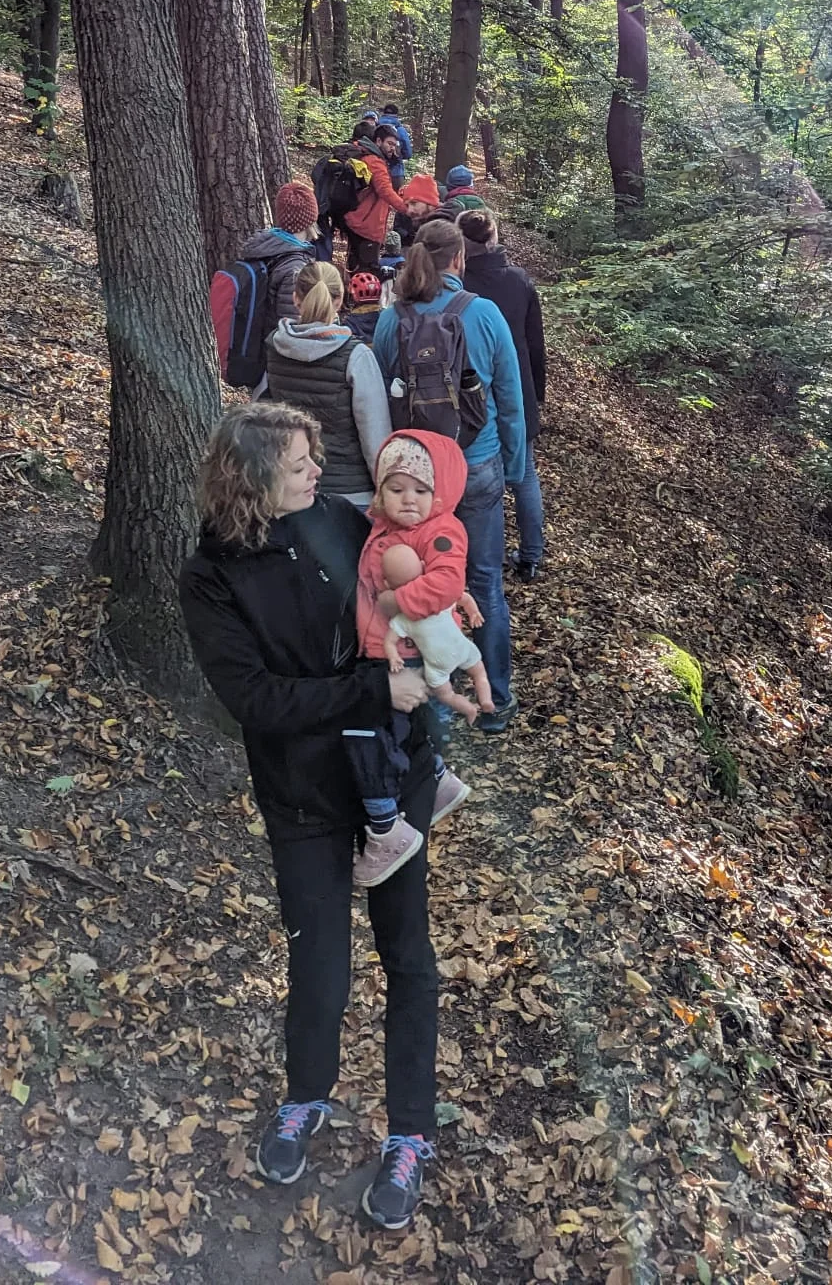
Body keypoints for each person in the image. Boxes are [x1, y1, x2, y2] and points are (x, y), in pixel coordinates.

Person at [180, 405, 440, 1230]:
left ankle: (410, 1133)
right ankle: (306, 1099)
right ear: (253, 478)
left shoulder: (339, 520)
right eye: (298, 463)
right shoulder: (212, 576)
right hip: (301, 794)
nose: (316, 472)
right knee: (319, 962)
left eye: (313, 458)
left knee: (407, 954)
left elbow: (406, 596)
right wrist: (369, 689)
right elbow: (253, 700)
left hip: (391, 775)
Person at [373, 218, 525, 734]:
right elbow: (510, 397)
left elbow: (382, 393)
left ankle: (432, 711)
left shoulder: (394, 319)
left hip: (419, 477)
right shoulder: (484, 314)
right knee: (483, 581)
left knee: (417, 585)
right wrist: (515, 464)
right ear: (459, 259)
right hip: (477, 465)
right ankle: (495, 702)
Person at [348, 433, 491, 882]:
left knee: (363, 732)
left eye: (421, 490)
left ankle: (386, 828)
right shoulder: (385, 526)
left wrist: (399, 603)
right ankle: (438, 780)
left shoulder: (441, 530)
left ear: (440, 492)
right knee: (398, 728)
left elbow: (446, 582)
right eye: (396, 488)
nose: (408, 500)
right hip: (383, 647)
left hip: (406, 652)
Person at [457, 211, 547, 579]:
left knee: (468, 474)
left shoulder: (458, 286)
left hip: (469, 393)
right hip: (518, 390)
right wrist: (537, 394)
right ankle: (530, 557)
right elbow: (536, 345)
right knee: (524, 474)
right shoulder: (518, 280)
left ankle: (469, 557)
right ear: (494, 237)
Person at [262, 262, 391, 508]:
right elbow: (375, 435)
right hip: (351, 495)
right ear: (340, 299)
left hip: (293, 490)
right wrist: (385, 489)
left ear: (295, 298)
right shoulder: (357, 355)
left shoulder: (274, 347)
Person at [215, 182, 321, 369]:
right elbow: (293, 326)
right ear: (311, 218)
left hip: (261, 350)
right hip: (276, 362)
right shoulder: (295, 268)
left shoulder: (266, 247)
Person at [342, 124, 411, 274]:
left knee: (356, 267)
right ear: (378, 141)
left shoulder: (367, 155)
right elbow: (385, 190)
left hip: (359, 221)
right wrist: (408, 209)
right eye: (390, 144)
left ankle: (350, 295)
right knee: (367, 272)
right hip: (367, 226)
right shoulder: (375, 161)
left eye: (395, 145)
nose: (393, 148)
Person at [395, 174, 442, 246]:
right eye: (407, 205)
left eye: (414, 203)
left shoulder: (448, 230)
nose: (409, 211)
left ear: (430, 203)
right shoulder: (407, 216)